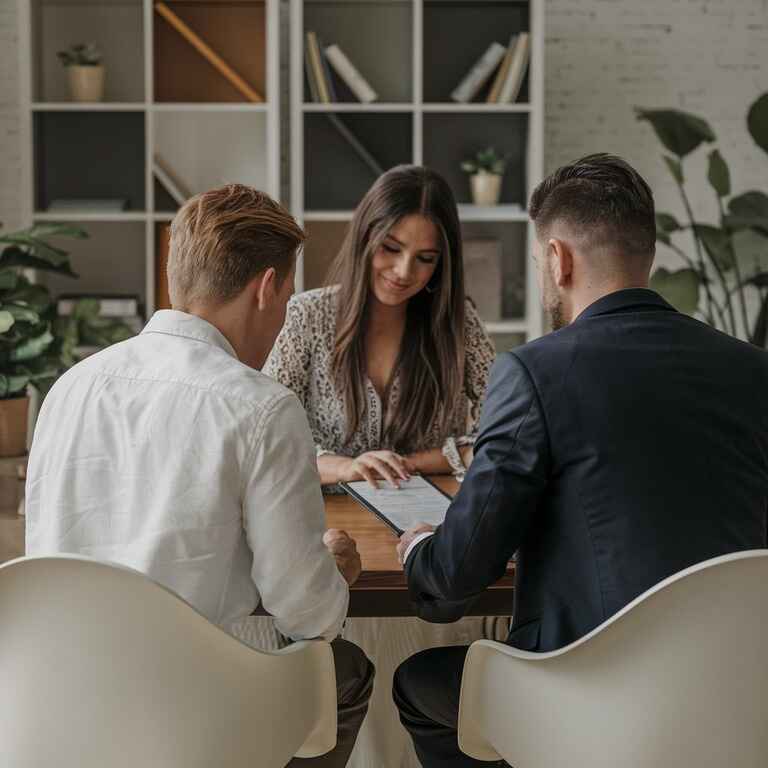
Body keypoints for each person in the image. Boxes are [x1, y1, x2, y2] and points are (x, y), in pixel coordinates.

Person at [392, 153, 768, 768]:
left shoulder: (536, 372)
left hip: (590, 702)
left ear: (558, 259)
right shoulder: (755, 370)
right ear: (646, 255)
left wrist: (417, 552)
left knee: (422, 683)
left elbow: (458, 573)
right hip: (738, 701)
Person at [25, 184, 374, 768]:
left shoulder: (70, 387)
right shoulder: (260, 406)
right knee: (345, 672)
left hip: (66, 702)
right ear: (268, 289)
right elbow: (305, 614)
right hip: (196, 715)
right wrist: (332, 568)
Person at [263, 165, 503, 768]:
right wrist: (341, 465)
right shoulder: (307, 317)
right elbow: (261, 436)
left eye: (425, 259)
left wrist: (415, 461)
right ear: (365, 236)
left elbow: (503, 438)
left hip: (424, 546)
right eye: (391, 249)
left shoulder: (458, 326)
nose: (403, 273)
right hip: (329, 547)